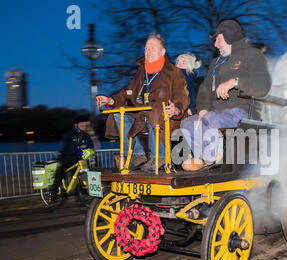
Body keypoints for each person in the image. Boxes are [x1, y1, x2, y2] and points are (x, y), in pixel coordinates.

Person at [180, 19, 272, 171]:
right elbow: (204, 89)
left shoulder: (253, 55)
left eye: (218, 39)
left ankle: (211, 159)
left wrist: (235, 82)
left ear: (229, 37)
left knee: (209, 119)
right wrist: (202, 109)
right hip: (215, 113)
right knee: (188, 123)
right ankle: (203, 159)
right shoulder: (216, 63)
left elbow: (263, 85)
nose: (215, 44)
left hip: (241, 112)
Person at [97, 33, 190, 171]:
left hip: (164, 116)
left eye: (152, 48)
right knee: (118, 114)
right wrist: (111, 100)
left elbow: (181, 96)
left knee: (153, 109)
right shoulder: (141, 73)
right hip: (143, 115)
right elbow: (126, 92)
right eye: (146, 48)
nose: (148, 51)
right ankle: (137, 154)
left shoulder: (174, 72)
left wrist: (176, 108)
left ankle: (159, 156)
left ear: (162, 52)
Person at [49, 114, 95, 203]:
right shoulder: (69, 134)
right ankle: (53, 197)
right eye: (82, 125)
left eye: (85, 126)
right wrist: (81, 152)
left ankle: (79, 198)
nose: (84, 127)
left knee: (79, 178)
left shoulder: (85, 135)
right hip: (66, 159)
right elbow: (70, 149)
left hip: (78, 160)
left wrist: (91, 151)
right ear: (76, 125)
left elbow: (90, 146)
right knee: (59, 176)